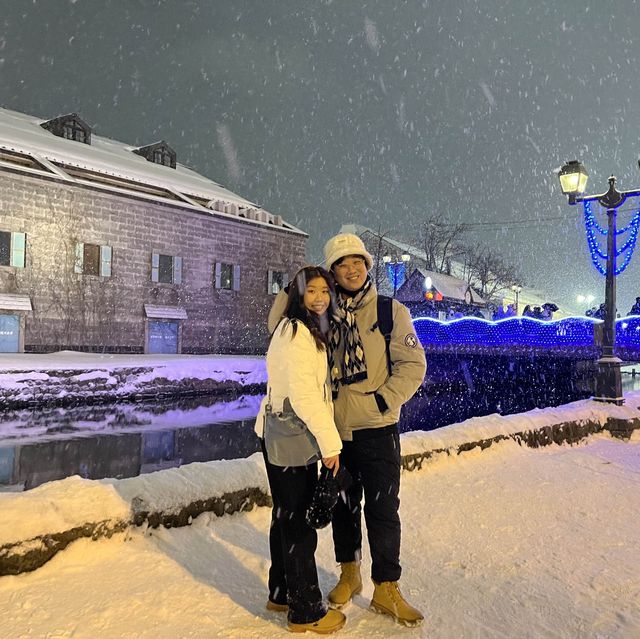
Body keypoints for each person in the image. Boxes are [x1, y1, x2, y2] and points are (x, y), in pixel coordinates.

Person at [322, 233, 426, 626]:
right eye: (342, 265)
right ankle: (349, 574)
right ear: (332, 272)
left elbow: (413, 365)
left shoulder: (389, 311)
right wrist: (293, 288)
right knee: (343, 507)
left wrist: (382, 401)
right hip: (335, 432)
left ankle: (386, 587)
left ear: (367, 267)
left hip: (378, 429)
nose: (351, 270)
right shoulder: (321, 313)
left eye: (358, 263)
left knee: (383, 510)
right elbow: (276, 324)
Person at [256, 265, 346, 634]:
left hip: (278, 435)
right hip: (294, 438)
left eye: (325, 290)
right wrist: (330, 444)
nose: (320, 297)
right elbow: (305, 396)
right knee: (298, 526)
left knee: (285, 515)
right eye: (311, 291)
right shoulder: (297, 332)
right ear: (298, 295)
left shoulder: (296, 328)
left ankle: (281, 591)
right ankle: (306, 611)